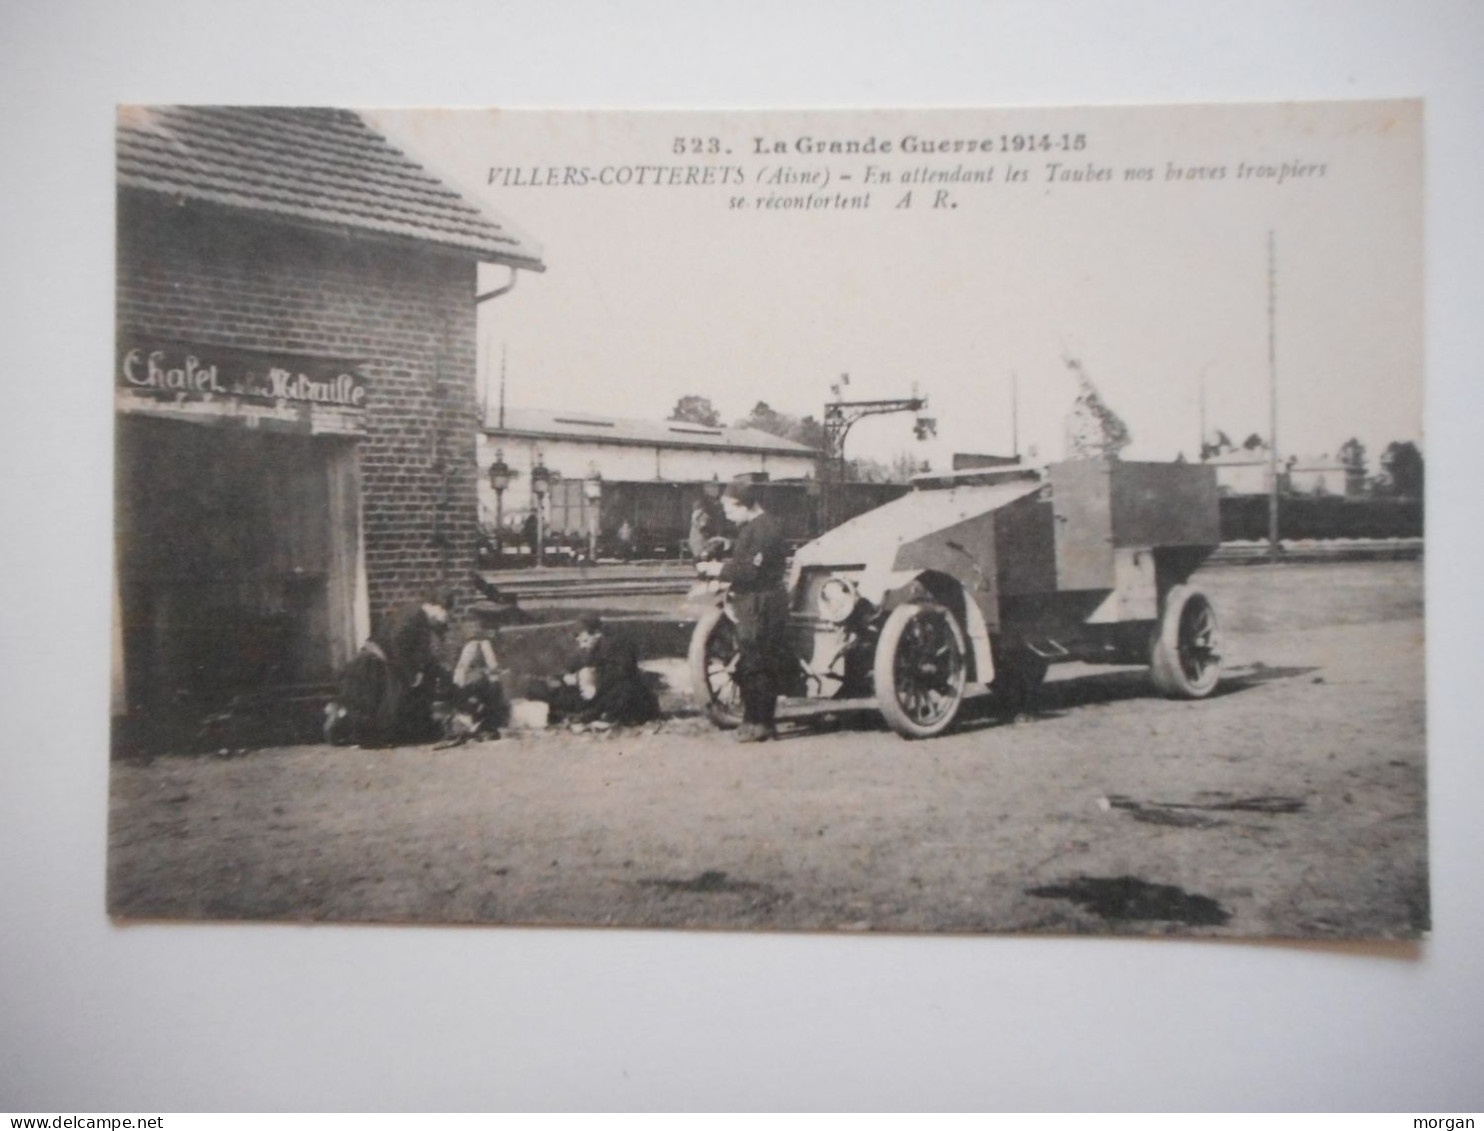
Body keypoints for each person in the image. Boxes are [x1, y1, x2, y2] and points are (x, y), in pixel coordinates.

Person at [697, 482, 789, 742]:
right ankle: (753, 720)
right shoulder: (754, 527)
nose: (726, 514)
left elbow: (751, 571)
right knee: (750, 662)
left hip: (762, 603)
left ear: (744, 504)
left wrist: (718, 571)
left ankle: (761, 723)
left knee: (759, 663)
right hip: (753, 601)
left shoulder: (766, 529)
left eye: (728, 508)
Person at [328, 593, 452, 746]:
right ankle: (344, 727)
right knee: (384, 711)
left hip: (384, 661)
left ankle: (343, 726)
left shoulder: (415, 614)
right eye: (445, 613)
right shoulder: (415, 616)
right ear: (437, 606)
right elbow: (397, 645)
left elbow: (418, 651)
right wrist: (410, 674)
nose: (444, 618)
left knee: (376, 709)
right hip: (378, 664)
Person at [533, 614, 659, 727]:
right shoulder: (589, 647)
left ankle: (598, 716)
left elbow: (619, 674)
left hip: (623, 694)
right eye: (576, 636)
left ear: (597, 634)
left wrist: (589, 678)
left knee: (621, 691)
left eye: (582, 635)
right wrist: (570, 676)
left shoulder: (615, 646)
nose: (578, 639)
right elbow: (571, 667)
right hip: (596, 691)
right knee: (559, 691)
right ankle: (576, 714)